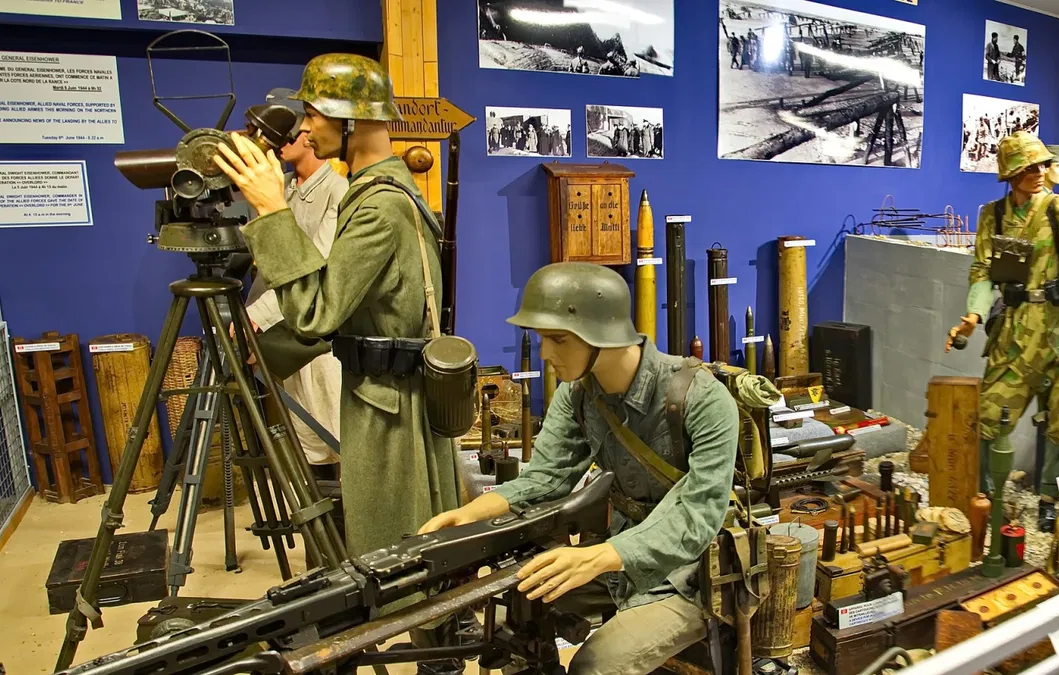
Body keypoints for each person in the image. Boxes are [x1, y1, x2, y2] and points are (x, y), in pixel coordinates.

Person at [418, 262, 740, 675]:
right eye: (541, 338)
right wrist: (471, 514)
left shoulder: (703, 399)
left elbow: (699, 516)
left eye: (558, 339)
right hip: (614, 555)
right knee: (512, 620)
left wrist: (599, 557)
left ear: (601, 335)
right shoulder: (580, 396)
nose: (546, 353)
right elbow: (547, 477)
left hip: (693, 573)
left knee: (596, 664)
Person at [212, 53, 462, 559]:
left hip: (386, 401)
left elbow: (316, 313)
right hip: (383, 392)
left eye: (313, 114)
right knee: (401, 532)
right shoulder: (381, 193)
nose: (304, 129)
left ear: (352, 118)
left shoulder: (378, 206)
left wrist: (270, 210)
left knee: (393, 545)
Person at [945, 131, 1059, 533]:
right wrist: (972, 317)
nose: (1038, 173)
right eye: (1028, 168)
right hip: (1014, 332)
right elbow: (984, 273)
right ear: (1011, 173)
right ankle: (988, 495)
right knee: (992, 416)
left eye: (1042, 165)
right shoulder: (994, 215)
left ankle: (1047, 497)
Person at [244, 89, 348, 473]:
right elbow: (267, 266)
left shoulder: (339, 192)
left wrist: (256, 320)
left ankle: (343, 525)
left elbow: (314, 267)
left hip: (315, 338)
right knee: (305, 436)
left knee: (334, 431)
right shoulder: (283, 189)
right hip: (281, 329)